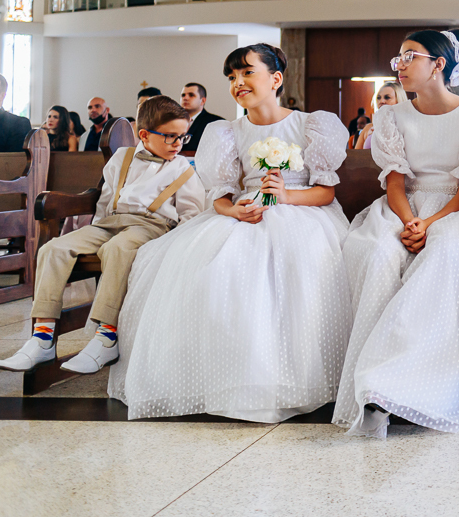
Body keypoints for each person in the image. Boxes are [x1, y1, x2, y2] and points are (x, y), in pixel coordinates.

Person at [109, 44, 351, 421]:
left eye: (246, 73)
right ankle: (215, 377)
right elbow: (219, 196)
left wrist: (286, 196)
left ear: (275, 78)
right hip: (245, 210)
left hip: (300, 210)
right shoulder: (226, 131)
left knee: (298, 265)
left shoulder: (311, 125)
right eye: (231, 77)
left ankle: (284, 376)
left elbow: (326, 192)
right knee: (205, 269)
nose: (238, 83)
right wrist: (233, 209)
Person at [333, 28, 459, 438]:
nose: (400, 65)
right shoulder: (391, 115)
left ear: (439, 65)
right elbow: (395, 180)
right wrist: (410, 219)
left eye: (410, 56)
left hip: (456, 207)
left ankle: (404, 380)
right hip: (403, 205)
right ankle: (368, 388)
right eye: (398, 58)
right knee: (377, 251)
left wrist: (430, 224)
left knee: (444, 252)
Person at [0, 96, 204, 374]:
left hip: (151, 227)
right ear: (144, 135)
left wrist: (171, 245)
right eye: (170, 137)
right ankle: (42, 338)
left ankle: (106, 337)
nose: (178, 144)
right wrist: (96, 230)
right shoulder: (122, 158)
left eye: (183, 137)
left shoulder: (183, 169)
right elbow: (106, 200)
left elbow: (192, 213)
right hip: (109, 223)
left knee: (117, 249)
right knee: (53, 249)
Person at [357, 81, 407, 150]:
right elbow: (355, 157)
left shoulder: (407, 128)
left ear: (399, 100)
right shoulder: (368, 128)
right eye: (379, 98)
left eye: (387, 97)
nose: (381, 101)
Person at [180, 82, 225, 153]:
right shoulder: (172, 121)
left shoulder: (216, 122)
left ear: (203, 100)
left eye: (191, 95)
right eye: (183, 95)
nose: (185, 98)